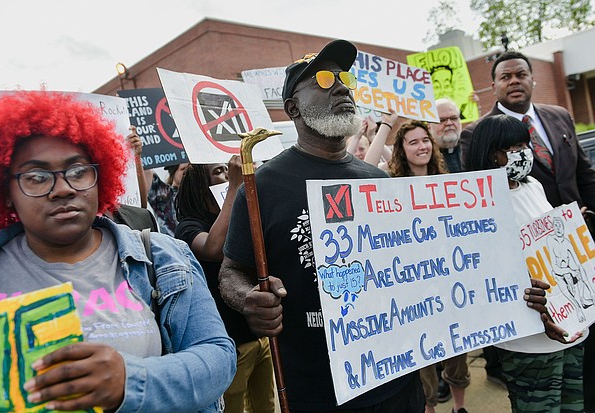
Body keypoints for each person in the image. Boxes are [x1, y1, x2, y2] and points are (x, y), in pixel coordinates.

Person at [0, 91, 236, 413]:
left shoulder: (164, 257)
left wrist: (131, 381)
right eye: (37, 177)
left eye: (78, 171)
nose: (63, 188)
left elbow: (218, 357)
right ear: (6, 191)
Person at [219, 39, 426, 412]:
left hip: (398, 380)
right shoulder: (262, 185)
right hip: (316, 389)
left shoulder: (379, 180)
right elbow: (233, 270)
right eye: (325, 80)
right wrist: (249, 299)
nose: (343, 86)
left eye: (345, 77)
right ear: (293, 107)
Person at [460, 50, 595, 406]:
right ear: (490, 155)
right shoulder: (477, 205)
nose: (523, 153)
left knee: (574, 402)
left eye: (525, 145)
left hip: (572, 325)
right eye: (512, 148)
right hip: (528, 337)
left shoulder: (534, 186)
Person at [174, 156, 275, 413]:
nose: (229, 174)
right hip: (229, 344)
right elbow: (214, 249)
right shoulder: (188, 227)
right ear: (200, 186)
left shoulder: (241, 219)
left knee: (265, 405)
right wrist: (234, 187)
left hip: (256, 337)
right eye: (219, 171)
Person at [387, 121, 471, 413]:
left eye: (425, 140)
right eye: (413, 142)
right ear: (401, 149)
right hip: (415, 287)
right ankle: (430, 408)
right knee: (424, 353)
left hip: (451, 281)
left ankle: (460, 407)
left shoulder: (447, 183)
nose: (422, 146)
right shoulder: (391, 187)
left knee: (458, 348)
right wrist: (385, 123)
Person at [145, 162, 189, 236]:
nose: (188, 172)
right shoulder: (164, 195)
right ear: (174, 172)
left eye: (190, 168)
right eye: (183, 169)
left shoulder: (198, 195)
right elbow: (147, 171)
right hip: (172, 244)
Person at [430, 98, 463, 173]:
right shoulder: (425, 158)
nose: (449, 123)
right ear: (429, 125)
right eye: (442, 120)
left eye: (453, 118)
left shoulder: (472, 150)